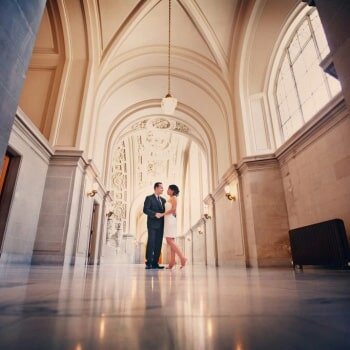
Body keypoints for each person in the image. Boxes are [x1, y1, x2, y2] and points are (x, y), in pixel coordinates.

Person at [161, 184, 187, 269]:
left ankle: (182, 258)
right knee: (171, 241)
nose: (167, 191)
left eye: (168, 189)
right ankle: (172, 263)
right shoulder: (170, 198)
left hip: (170, 220)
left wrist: (163, 214)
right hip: (168, 219)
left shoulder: (174, 198)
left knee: (169, 240)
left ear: (172, 190)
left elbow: (174, 209)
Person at [143, 182, 166, 269]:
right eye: (161, 187)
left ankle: (155, 263)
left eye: (163, 188)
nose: (162, 189)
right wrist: (154, 214)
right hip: (152, 224)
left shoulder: (163, 200)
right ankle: (149, 262)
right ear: (156, 188)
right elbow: (145, 210)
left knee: (158, 243)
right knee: (151, 242)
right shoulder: (149, 198)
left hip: (161, 225)